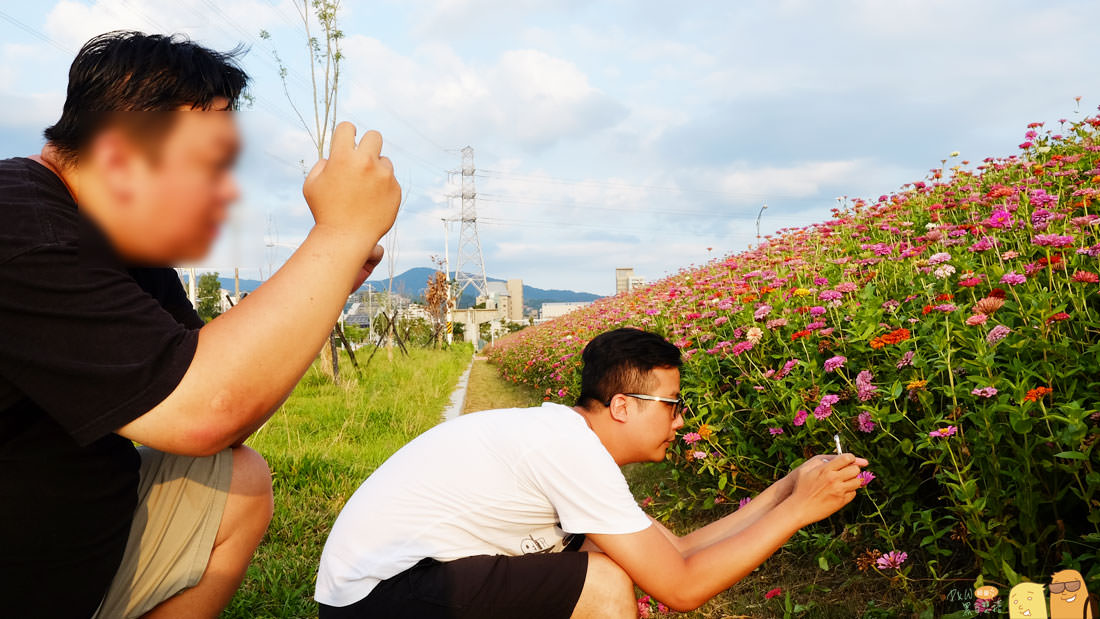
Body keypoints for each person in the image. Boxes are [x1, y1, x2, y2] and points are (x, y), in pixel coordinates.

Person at [0, 31, 401, 618]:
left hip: (73, 564)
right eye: (210, 168)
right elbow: (203, 408)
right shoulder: (21, 229)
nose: (224, 194)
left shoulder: (120, 241)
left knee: (234, 481)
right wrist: (336, 235)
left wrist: (327, 279)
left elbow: (225, 418)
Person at [316, 327, 870, 618]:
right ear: (624, 405)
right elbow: (682, 589)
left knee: (603, 560)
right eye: (673, 404)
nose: (680, 420)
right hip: (374, 598)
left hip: (391, 588)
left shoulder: (566, 439)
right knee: (603, 583)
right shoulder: (569, 451)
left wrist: (786, 488)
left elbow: (674, 553)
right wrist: (799, 511)